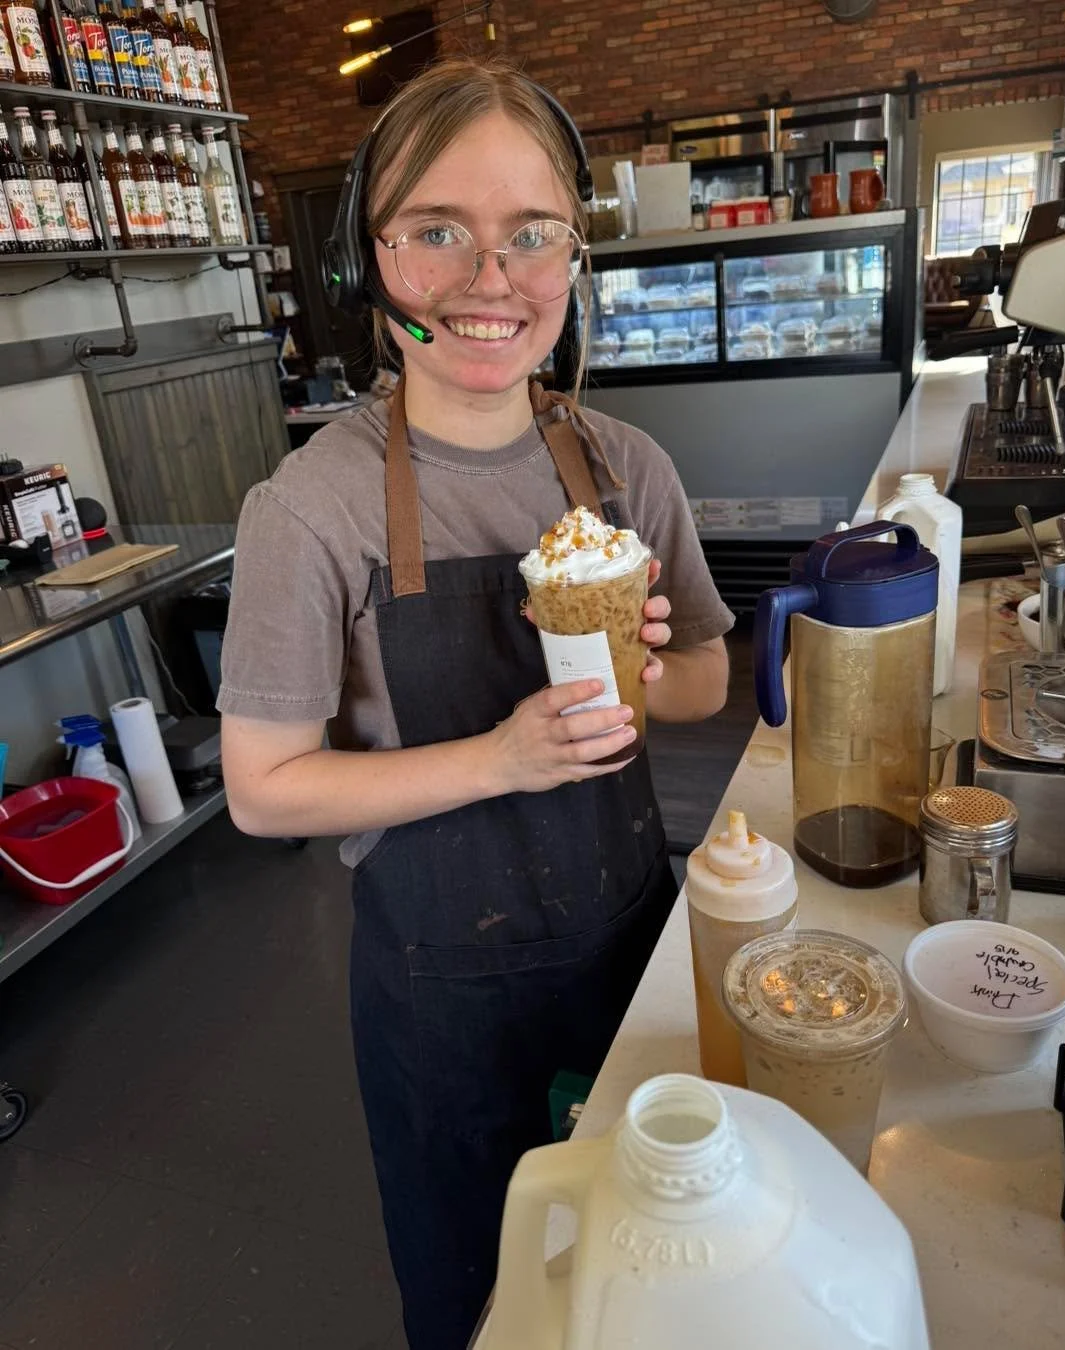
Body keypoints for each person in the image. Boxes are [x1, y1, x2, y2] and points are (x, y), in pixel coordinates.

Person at [218, 58, 734, 1350]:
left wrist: (644, 677)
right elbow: (263, 788)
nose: (490, 280)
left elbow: (710, 676)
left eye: (532, 234)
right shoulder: (313, 508)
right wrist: (504, 756)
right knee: (483, 1296)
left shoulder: (625, 468)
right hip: (440, 997)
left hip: (628, 944)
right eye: (436, 231)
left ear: (574, 254)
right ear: (368, 262)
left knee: (651, 1271)